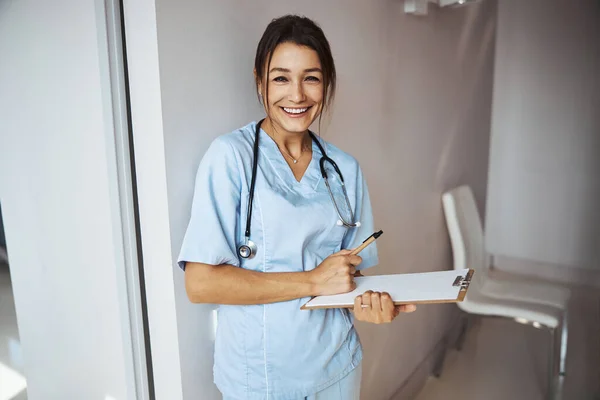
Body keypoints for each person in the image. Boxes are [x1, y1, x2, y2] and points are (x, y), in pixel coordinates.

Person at [178, 14, 416, 400]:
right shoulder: (230, 158)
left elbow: (348, 275)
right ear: (260, 80)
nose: (297, 95)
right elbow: (201, 282)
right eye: (281, 78)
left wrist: (371, 305)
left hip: (337, 367)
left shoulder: (344, 169)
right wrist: (311, 281)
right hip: (260, 378)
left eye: (311, 78)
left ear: (326, 84)